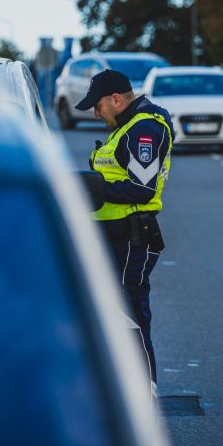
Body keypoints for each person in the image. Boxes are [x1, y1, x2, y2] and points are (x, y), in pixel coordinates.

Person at [76, 69, 174, 392]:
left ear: (116, 99)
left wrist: (91, 187)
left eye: (98, 105)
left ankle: (144, 396)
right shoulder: (125, 127)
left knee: (131, 318)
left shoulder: (144, 128)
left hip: (131, 237)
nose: (95, 112)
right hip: (114, 236)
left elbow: (141, 187)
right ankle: (120, 391)